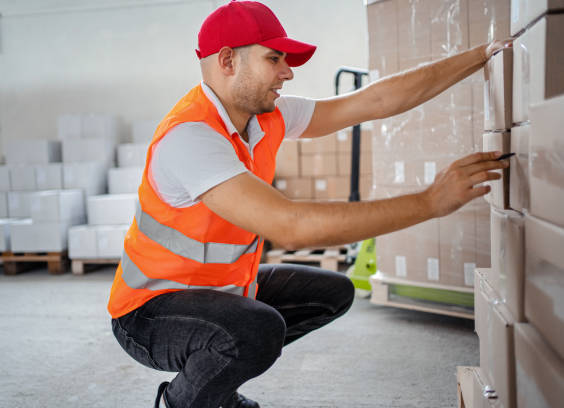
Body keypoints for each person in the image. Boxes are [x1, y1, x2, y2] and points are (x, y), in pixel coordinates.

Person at [108, 1, 511, 407]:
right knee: (255, 330)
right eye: (274, 59)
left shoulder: (263, 117)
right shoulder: (190, 137)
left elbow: (372, 102)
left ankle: (213, 378)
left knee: (332, 293)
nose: (288, 72)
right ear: (228, 61)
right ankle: (183, 402)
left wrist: (479, 56)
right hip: (148, 312)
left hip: (222, 289)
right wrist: (430, 202)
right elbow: (291, 226)